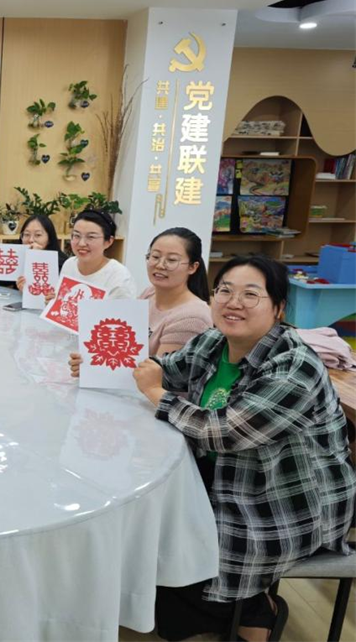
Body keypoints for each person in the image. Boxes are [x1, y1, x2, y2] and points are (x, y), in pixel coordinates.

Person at [132, 255, 356, 642]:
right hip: (224, 477)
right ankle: (231, 614)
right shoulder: (214, 341)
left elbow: (223, 432)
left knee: (182, 548)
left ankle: (255, 615)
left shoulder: (294, 367)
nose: (233, 303)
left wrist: (155, 392)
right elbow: (168, 368)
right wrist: (115, 364)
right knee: (149, 528)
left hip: (284, 501)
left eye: (251, 295)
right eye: (225, 291)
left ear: (278, 308)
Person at [68, 227, 211, 374]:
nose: (160, 265)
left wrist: (97, 370)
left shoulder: (192, 318)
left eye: (172, 260)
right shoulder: (150, 293)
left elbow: (157, 376)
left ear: (192, 267)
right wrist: (89, 362)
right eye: (155, 256)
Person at [51, 208, 136, 299]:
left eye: (91, 237)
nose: (81, 243)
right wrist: (53, 301)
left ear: (108, 241)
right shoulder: (69, 264)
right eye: (76, 235)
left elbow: (122, 308)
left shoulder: (119, 277)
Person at [0, 215, 67, 290]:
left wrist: (39, 257)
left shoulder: (63, 264)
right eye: (26, 234)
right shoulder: (17, 257)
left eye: (38, 235)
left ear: (49, 238)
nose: (31, 240)